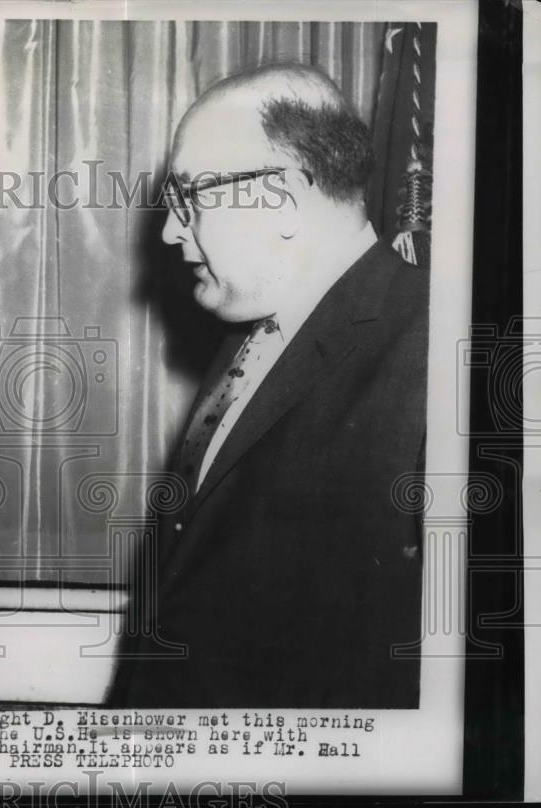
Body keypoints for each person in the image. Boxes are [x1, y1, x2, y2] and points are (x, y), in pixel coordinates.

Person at [109, 63, 428, 708]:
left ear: (278, 200)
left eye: (188, 198)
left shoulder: (440, 345)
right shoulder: (247, 341)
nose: (172, 230)